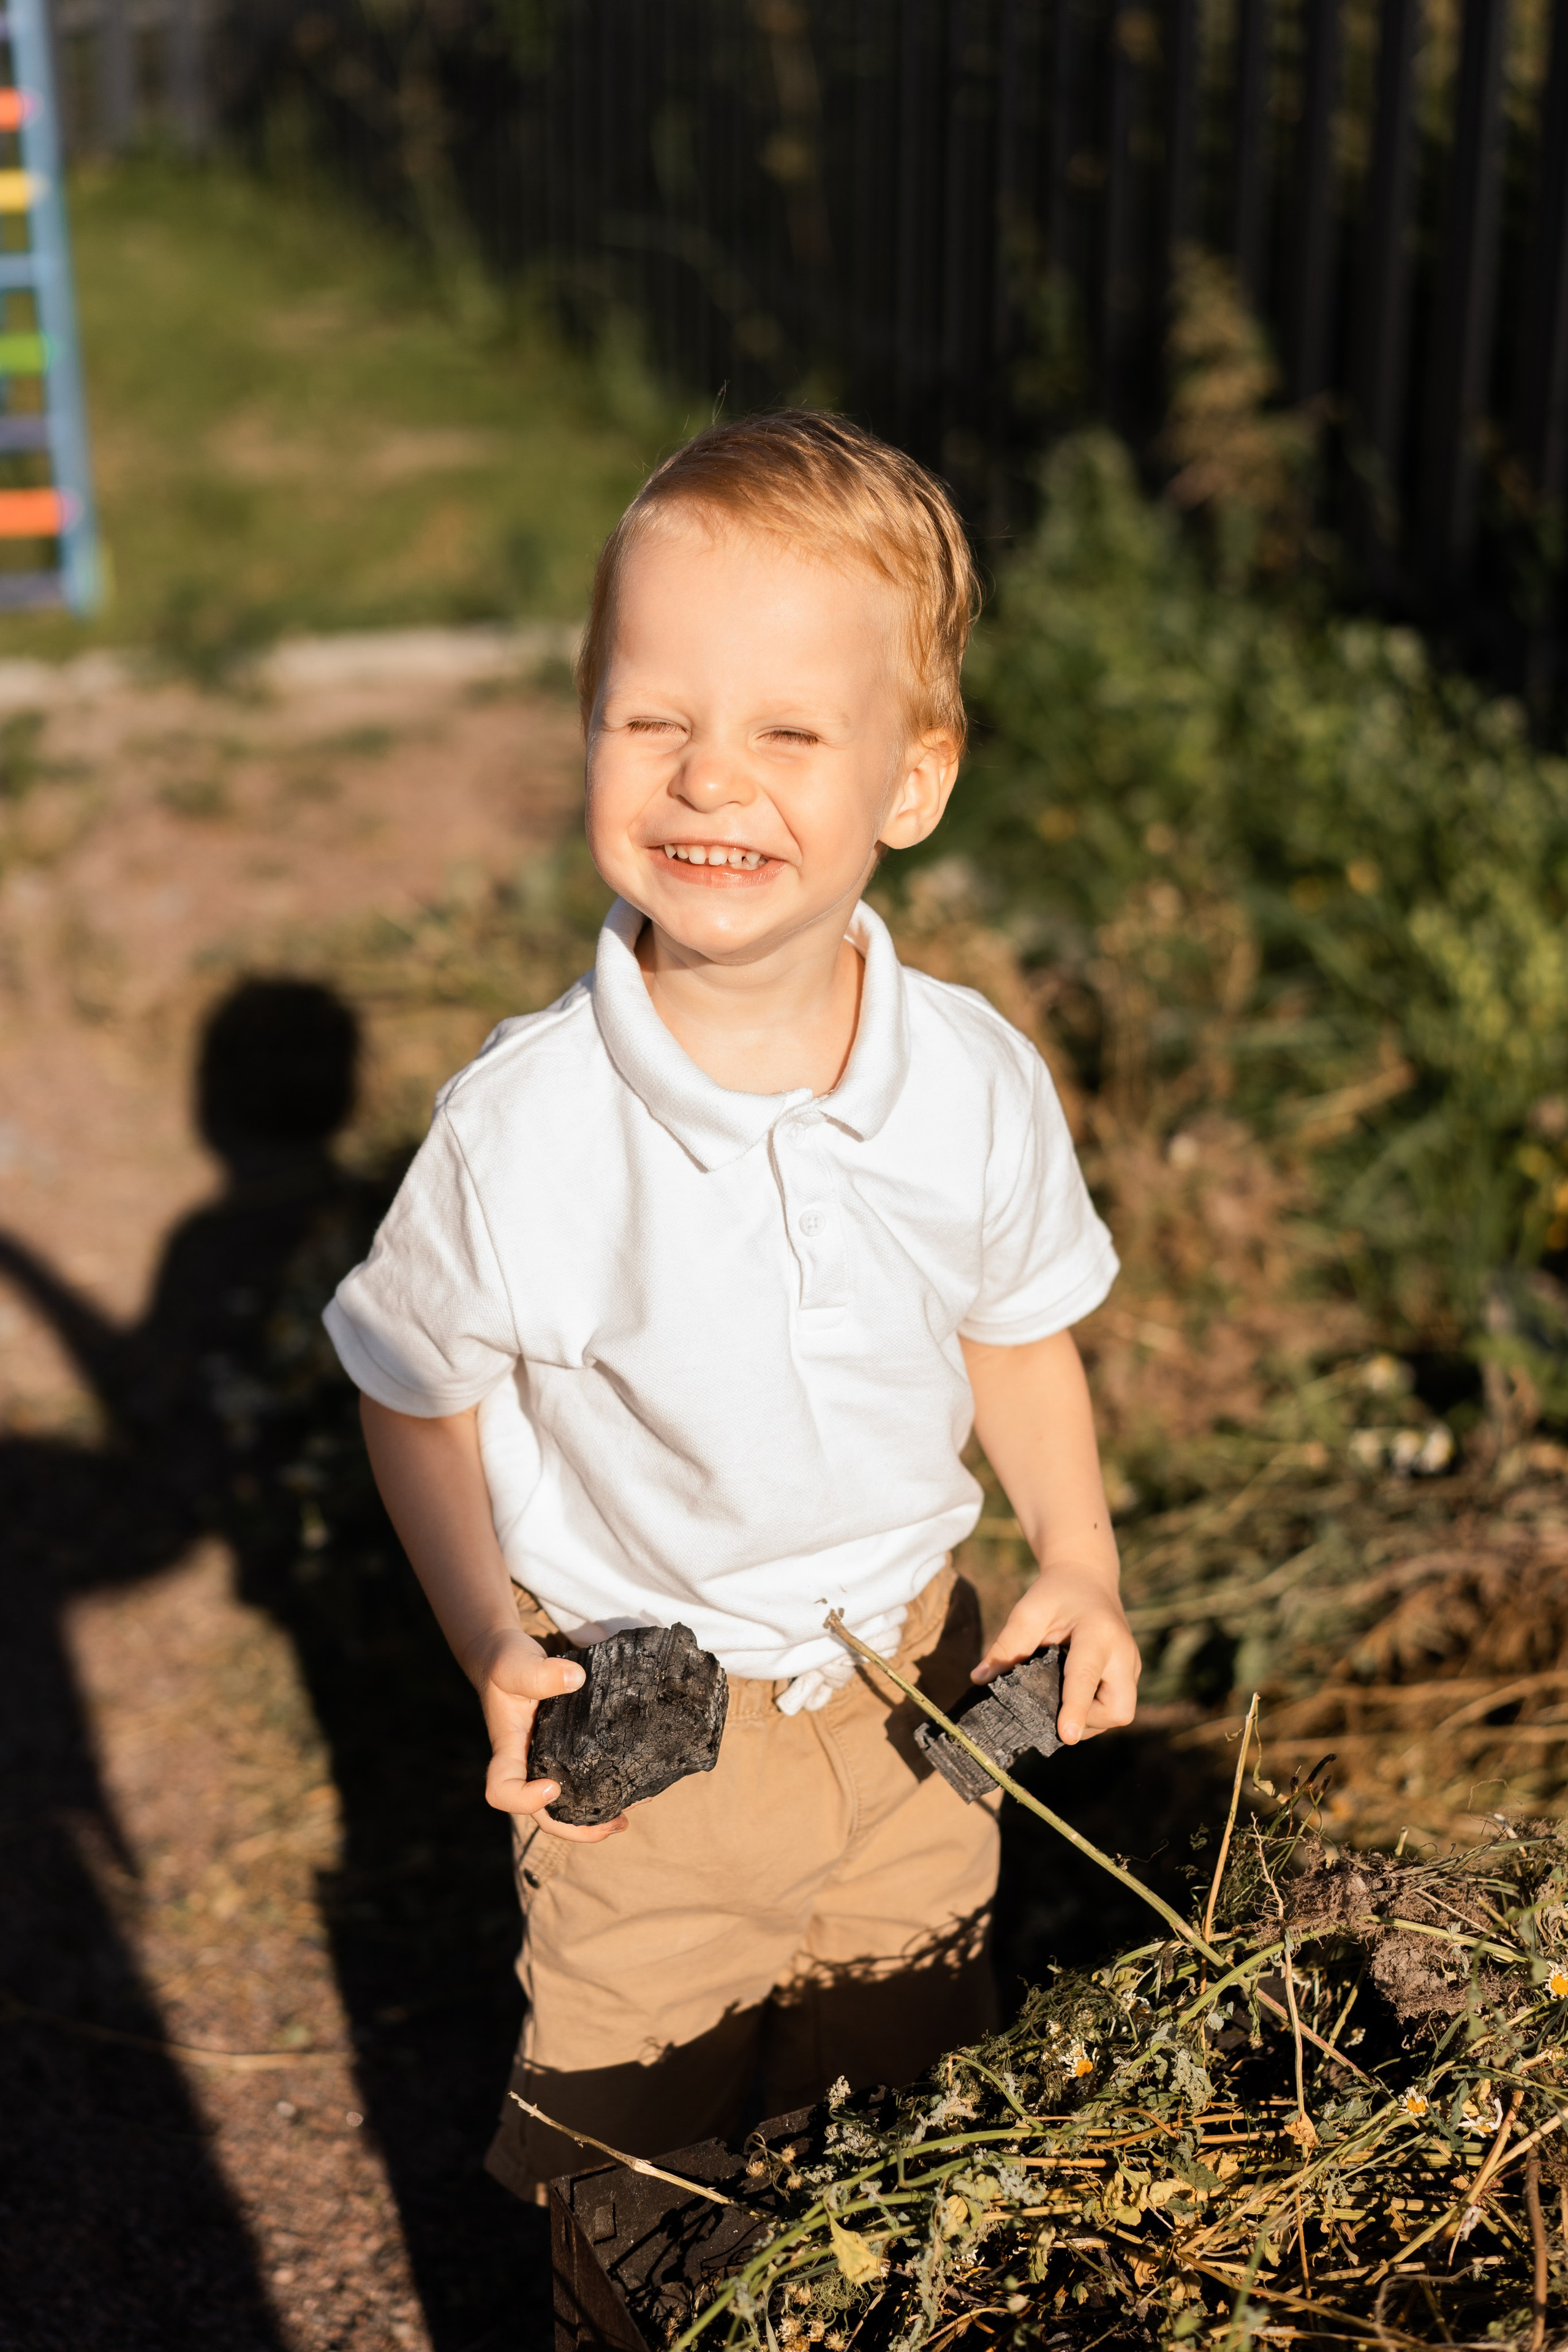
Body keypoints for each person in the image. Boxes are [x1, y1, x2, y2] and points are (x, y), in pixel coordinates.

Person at [322, 410, 1141, 2196]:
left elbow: (1014, 1324)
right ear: (589, 737)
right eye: (656, 720)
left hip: (918, 1699)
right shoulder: (527, 1128)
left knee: (907, 2122)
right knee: (638, 2157)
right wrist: (486, 1638)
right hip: (648, 1729)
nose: (710, 780)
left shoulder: (974, 1080)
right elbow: (412, 1386)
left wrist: (1075, 1550)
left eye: (788, 733)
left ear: (911, 784)